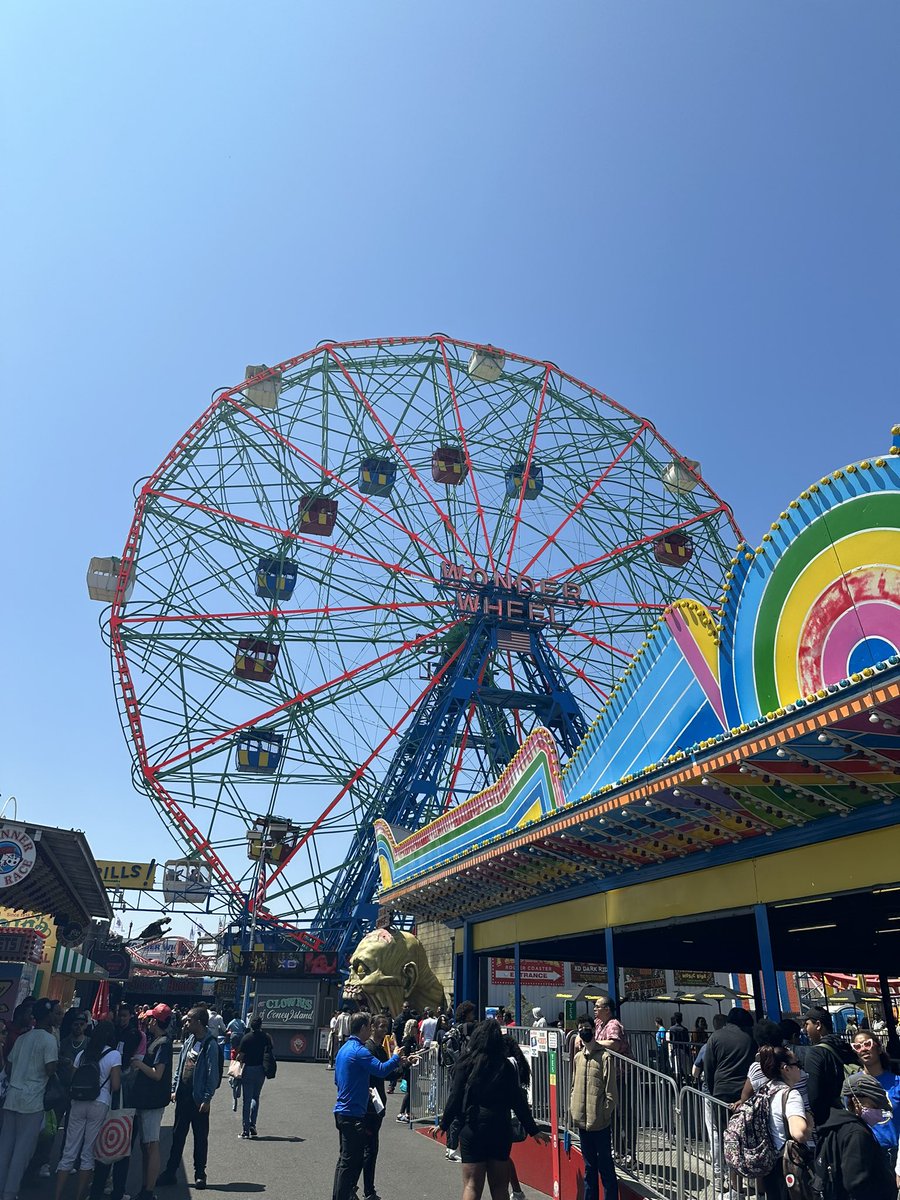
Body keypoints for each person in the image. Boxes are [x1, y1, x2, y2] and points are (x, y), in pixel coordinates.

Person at [436, 1019, 547, 1200]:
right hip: (499, 1127)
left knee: (472, 1184)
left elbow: (455, 1098)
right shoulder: (506, 1067)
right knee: (499, 1188)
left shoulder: (465, 1064)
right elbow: (517, 1101)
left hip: (473, 1126)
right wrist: (533, 1130)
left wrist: (443, 1124)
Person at [332, 1011, 404, 1200]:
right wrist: (396, 1056)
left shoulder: (344, 1049)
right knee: (351, 1161)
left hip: (343, 1109)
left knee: (345, 1160)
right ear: (364, 1027)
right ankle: (343, 1196)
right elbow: (381, 1070)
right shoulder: (360, 1050)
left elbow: (337, 1080)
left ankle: (343, 1195)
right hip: (353, 1112)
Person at [0, 997, 60, 1200]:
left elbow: (8, 1066)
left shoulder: (23, 1038)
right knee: (22, 1151)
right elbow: (50, 1068)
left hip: (12, 1098)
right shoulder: (49, 1040)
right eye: (55, 1013)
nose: (57, 1016)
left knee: (5, 1147)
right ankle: (9, 1193)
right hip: (32, 1101)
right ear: (48, 1016)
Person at [54, 1019, 120, 1200]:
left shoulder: (83, 1053)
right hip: (100, 1103)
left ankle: (57, 1195)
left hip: (78, 1102)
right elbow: (115, 1085)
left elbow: (73, 1078)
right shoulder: (114, 1055)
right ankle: (79, 1196)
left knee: (69, 1151)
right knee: (88, 1153)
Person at [158, 1006, 221, 1190]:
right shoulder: (189, 1040)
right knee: (177, 1136)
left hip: (199, 1098)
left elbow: (212, 1074)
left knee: (200, 1138)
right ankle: (170, 1172)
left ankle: (200, 1174)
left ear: (199, 1022)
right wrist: (174, 1087)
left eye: (189, 1020)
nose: (186, 1023)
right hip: (183, 1096)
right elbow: (182, 1064)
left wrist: (207, 1098)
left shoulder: (210, 1045)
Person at [814, 1072, 896, 1199]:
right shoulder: (856, 1134)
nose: (878, 1110)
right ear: (855, 1101)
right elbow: (856, 1184)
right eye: (874, 1104)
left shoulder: (835, 1124)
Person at [128, 1003, 174, 1200]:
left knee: (152, 1143)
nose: (147, 1022)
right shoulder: (156, 1041)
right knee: (146, 1144)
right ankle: (146, 1186)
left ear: (155, 1021)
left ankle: (149, 1190)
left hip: (153, 1100)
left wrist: (138, 1064)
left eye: (150, 1018)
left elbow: (158, 1074)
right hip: (147, 1099)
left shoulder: (162, 1043)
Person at [754, 1044, 812, 1200]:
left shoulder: (764, 1090)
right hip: (788, 1165)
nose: (800, 1068)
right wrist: (810, 1121)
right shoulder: (791, 1095)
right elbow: (799, 1133)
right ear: (785, 1068)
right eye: (797, 1064)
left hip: (768, 1162)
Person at [569, 1017, 618, 1200]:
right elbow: (574, 1086)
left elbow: (611, 1093)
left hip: (600, 1124)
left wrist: (603, 1115)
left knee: (606, 1167)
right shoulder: (577, 1058)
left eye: (587, 1028)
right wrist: (574, 1109)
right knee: (589, 1168)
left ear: (593, 1030)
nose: (584, 1031)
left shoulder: (605, 1057)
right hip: (582, 1123)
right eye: (581, 1028)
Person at [850, 1028, 900, 1173]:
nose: (863, 1049)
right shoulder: (852, 1085)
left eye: (867, 1044)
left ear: (878, 1048)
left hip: (896, 1154)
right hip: (868, 1155)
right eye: (858, 1047)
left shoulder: (897, 1082)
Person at [803, 1005, 861, 1126]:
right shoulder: (844, 1046)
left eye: (806, 1024)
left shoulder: (815, 1053)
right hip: (856, 1113)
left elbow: (814, 1096)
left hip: (832, 1120)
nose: (804, 1029)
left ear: (818, 1025)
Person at [362, 1013, 392, 1200]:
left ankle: (367, 1188)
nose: (384, 1029)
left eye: (385, 1026)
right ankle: (367, 1189)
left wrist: (403, 1064)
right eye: (380, 1026)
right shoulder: (369, 1048)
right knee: (368, 1149)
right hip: (370, 1104)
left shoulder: (380, 1048)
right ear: (372, 1026)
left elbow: (388, 1072)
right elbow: (379, 1071)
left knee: (371, 1149)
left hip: (378, 1103)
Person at [502, 1034, 532, 1200]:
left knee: (502, 1158)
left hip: (507, 1115)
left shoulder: (507, 1064)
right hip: (514, 1114)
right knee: (504, 1156)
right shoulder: (518, 1064)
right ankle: (517, 1190)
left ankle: (513, 1190)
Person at [237, 1016, 272, 1138]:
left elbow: (240, 1056)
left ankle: (245, 1129)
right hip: (261, 1069)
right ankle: (253, 1124)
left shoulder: (246, 1038)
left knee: (246, 1099)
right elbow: (269, 1051)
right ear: (261, 1025)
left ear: (251, 1025)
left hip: (248, 1069)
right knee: (255, 1097)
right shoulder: (266, 1037)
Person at [396, 1018, 419, 1122]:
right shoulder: (407, 1040)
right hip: (408, 1066)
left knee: (412, 1090)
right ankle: (401, 1112)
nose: (416, 1029)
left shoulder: (413, 1039)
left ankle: (408, 1112)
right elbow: (405, 1053)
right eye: (414, 1027)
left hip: (414, 1066)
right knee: (409, 1091)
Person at [666, 1012, 691, 1086]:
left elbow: (670, 1040)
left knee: (677, 1069)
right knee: (686, 1069)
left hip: (675, 1050)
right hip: (683, 1049)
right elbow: (687, 1040)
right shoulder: (684, 1029)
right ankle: (688, 1085)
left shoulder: (671, 1029)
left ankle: (678, 1085)